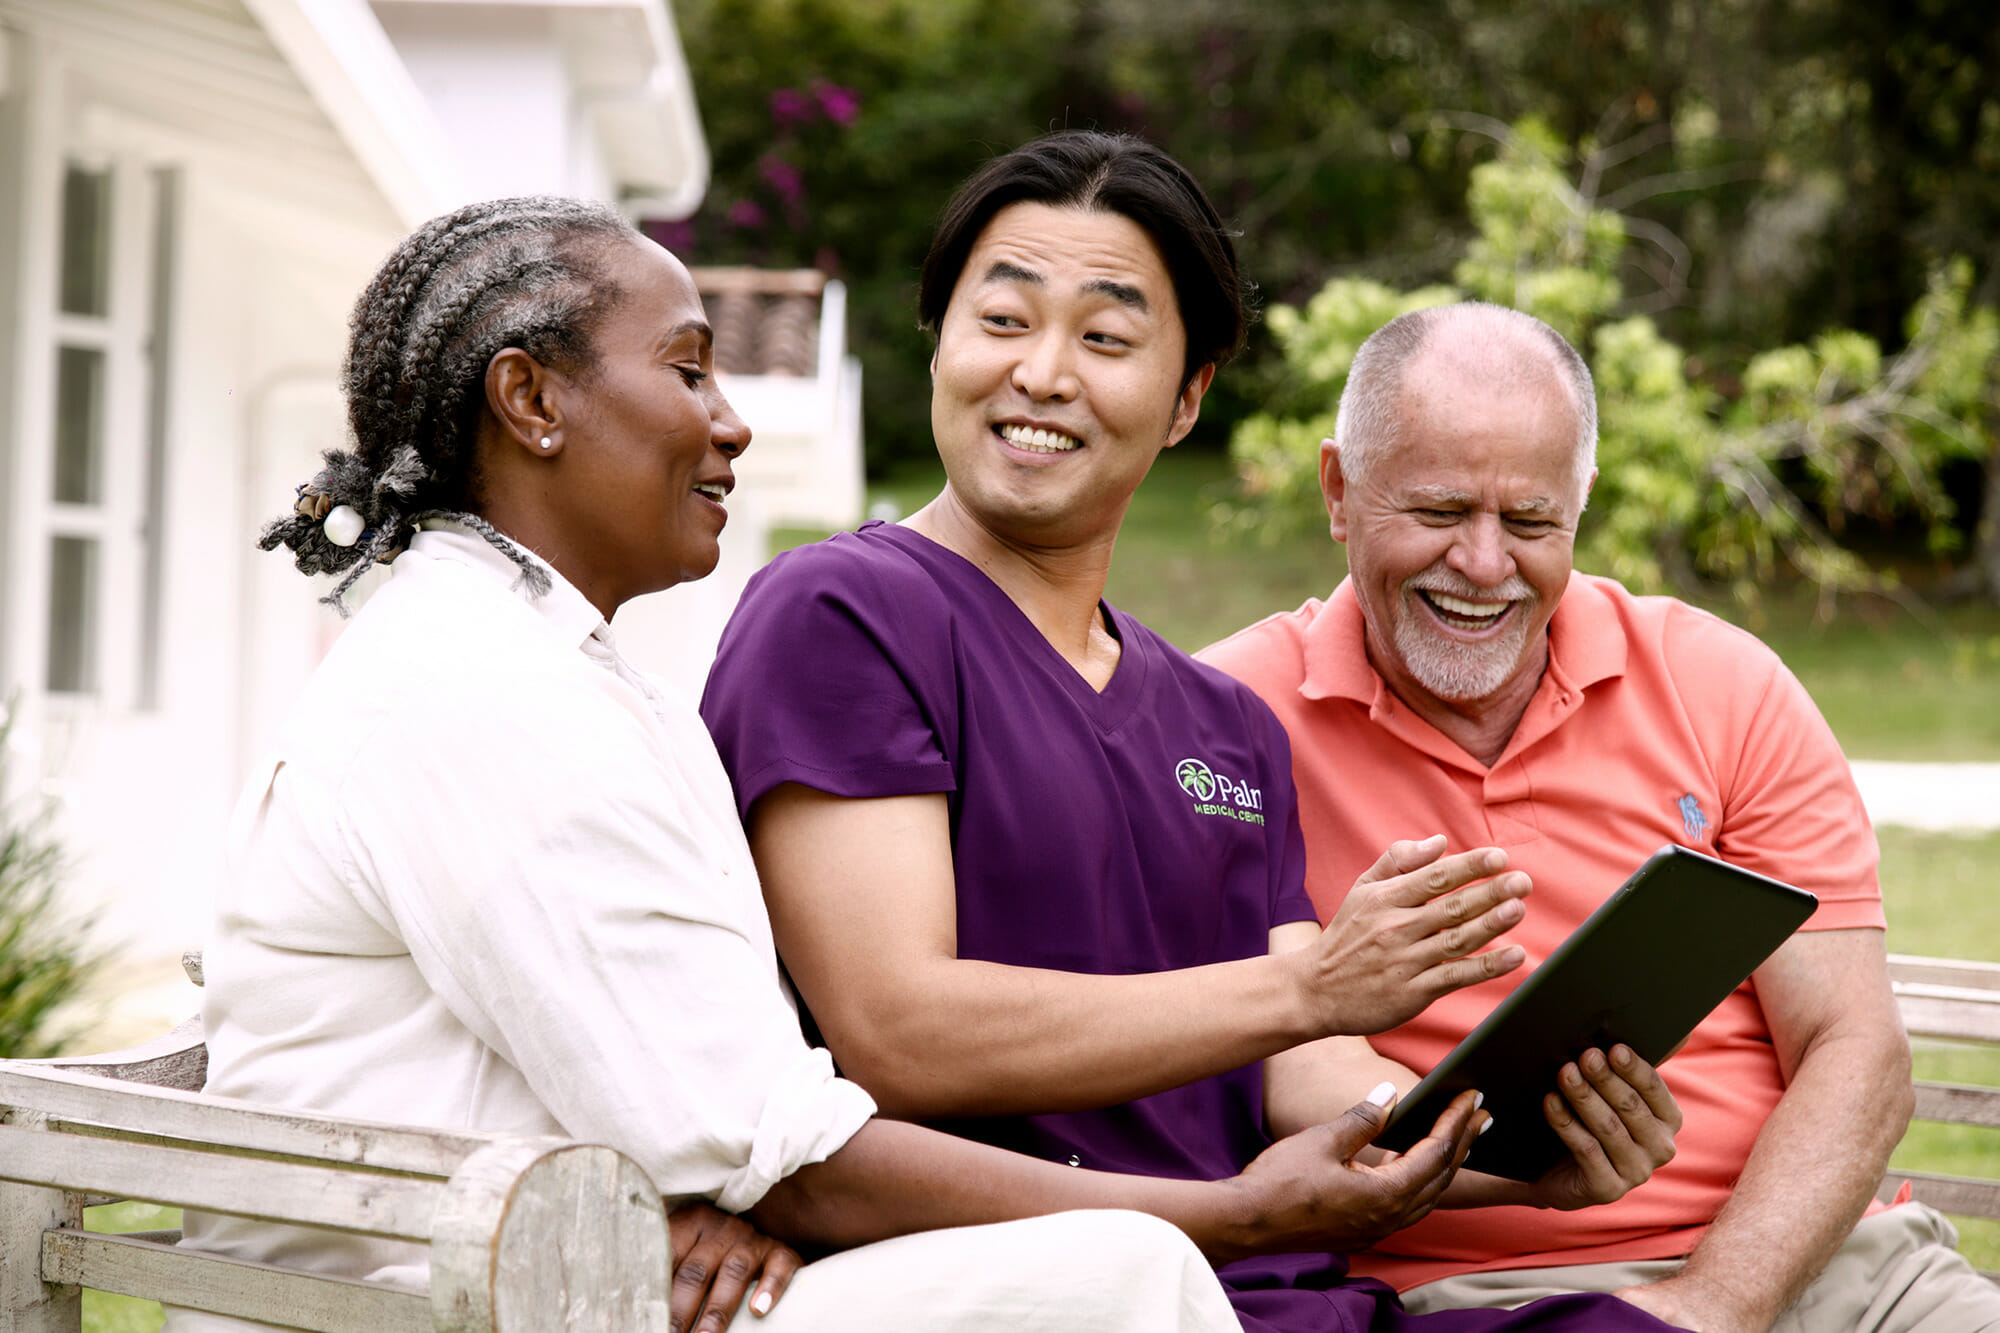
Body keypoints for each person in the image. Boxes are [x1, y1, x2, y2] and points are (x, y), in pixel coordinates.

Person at [168, 194, 1510, 1333]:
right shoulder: (481, 685)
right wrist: (1232, 1212)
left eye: (1107, 338)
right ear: (531, 401)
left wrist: (731, 1193)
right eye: (688, 370)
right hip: (463, 1294)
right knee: (1132, 1275)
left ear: (1185, 399)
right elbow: (790, 1134)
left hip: (590, 1262)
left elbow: (722, 1109)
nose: (732, 422)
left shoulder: (544, 665)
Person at [701, 131, 1688, 1333]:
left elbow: (1300, 1073)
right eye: (1002, 321)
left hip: (1283, 1300)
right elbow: (897, 1029)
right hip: (1046, 1297)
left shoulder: (1223, 723)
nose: (1042, 374)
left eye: (1105, 338)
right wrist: (1311, 985)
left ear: (1186, 400)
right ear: (939, 345)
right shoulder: (843, 614)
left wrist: (1515, 1150)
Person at [1199, 300, 2000, 1332]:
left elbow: (1854, 1048)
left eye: (1530, 523)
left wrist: (1706, 1306)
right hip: (1472, 1296)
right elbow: (1294, 1073)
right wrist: (1528, 1171)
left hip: (1821, 1263)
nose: (1483, 565)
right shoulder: (1221, 723)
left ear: (1578, 505)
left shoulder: (1720, 684)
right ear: (1338, 491)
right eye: (1440, 511)